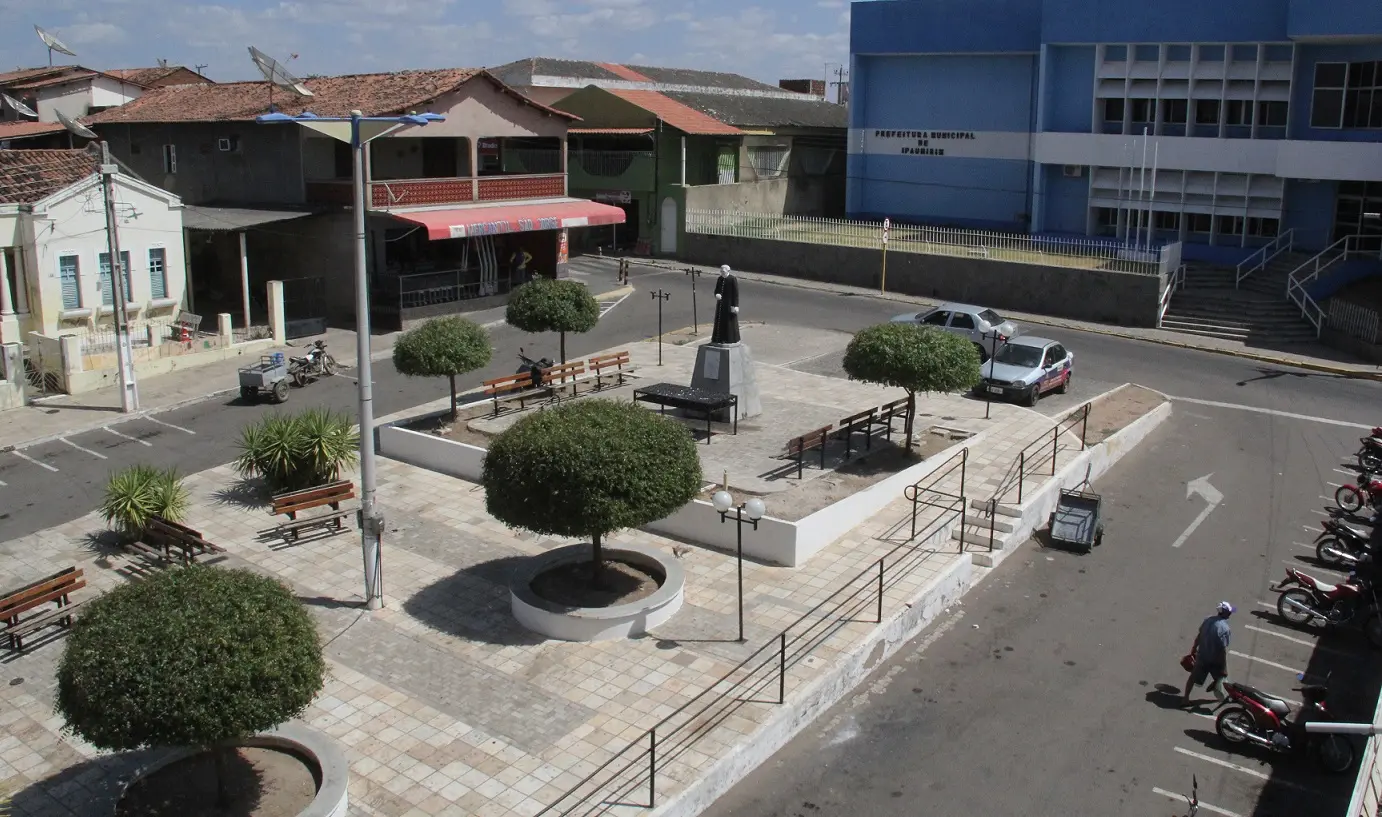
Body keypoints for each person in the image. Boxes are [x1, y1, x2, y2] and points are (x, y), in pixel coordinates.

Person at [1182, 601, 1234, 706]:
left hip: (1202, 656)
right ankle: (1227, 696)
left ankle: (1185, 698)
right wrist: (1224, 667)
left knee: (1192, 677)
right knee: (1221, 678)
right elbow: (1222, 649)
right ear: (1226, 614)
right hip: (1215, 659)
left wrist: (1193, 648)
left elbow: (1199, 635)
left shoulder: (1207, 620)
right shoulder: (1225, 629)